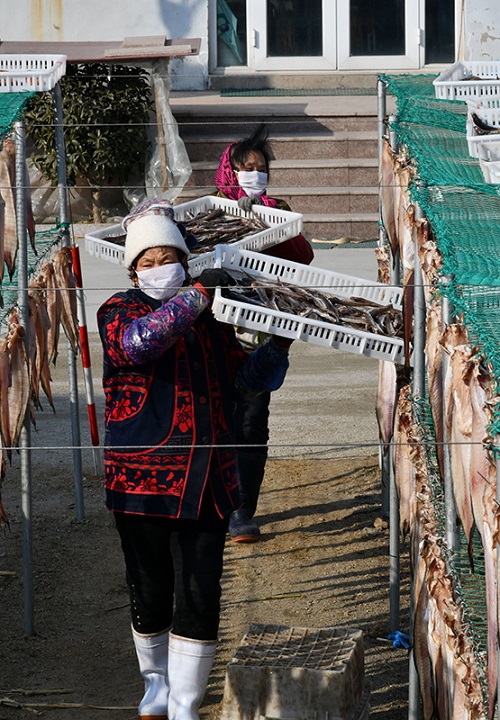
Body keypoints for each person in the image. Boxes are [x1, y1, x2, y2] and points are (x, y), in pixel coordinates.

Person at [97, 197, 292, 720]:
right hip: (140, 484)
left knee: (202, 591)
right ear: (134, 270)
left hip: (208, 481)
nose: (162, 269)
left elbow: (248, 384)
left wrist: (278, 345)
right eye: (150, 261)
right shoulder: (118, 311)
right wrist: (198, 297)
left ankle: (184, 704)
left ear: (186, 259)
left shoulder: (211, 322)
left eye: (170, 258)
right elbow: (139, 345)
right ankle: (155, 686)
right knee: (151, 586)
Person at [214, 123, 314, 543]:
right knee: (216, 419)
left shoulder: (279, 208)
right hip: (216, 331)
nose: (254, 174)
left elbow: (303, 256)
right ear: (228, 172)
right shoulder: (210, 209)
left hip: (261, 332)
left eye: (261, 168)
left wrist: (272, 226)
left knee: (253, 421)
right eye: (246, 168)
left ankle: (241, 511)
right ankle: (213, 504)